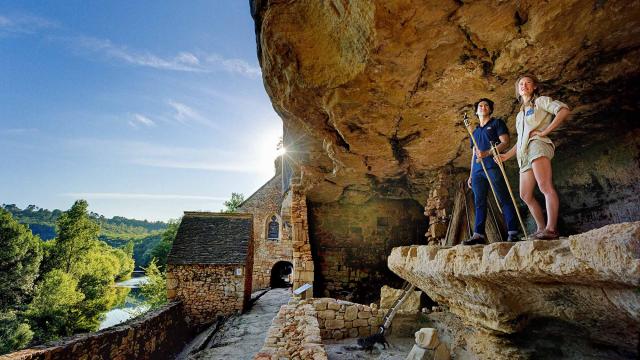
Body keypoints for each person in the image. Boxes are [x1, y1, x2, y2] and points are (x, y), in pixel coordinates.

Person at [496, 74, 571, 240]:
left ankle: (551, 229)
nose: (524, 85)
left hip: (537, 145)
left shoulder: (540, 101)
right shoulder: (519, 115)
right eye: (521, 83)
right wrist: (506, 155)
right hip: (523, 154)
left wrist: (544, 132)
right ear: (518, 89)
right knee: (525, 195)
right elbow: (521, 139)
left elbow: (563, 110)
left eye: (528, 82)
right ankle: (541, 228)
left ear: (535, 87)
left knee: (545, 186)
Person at [463, 98, 520, 245]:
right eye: (480, 106)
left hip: (493, 165)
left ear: (490, 109)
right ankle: (478, 235)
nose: (483, 107)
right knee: (479, 201)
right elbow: (474, 154)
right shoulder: (474, 132)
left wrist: (488, 153)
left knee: (503, 198)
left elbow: (505, 142)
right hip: (477, 171)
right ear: (476, 111)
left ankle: (513, 232)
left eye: (486, 105)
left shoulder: (496, 123)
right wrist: (471, 174)